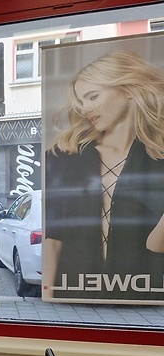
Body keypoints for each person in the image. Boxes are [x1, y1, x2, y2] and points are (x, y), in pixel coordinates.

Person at [44, 51, 164, 300]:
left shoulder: (158, 159)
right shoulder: (64, 156)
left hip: (145, 297)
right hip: (74, 294)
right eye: (81, 101)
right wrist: (48, 297)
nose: (85, 108)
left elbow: (155, 245)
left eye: (93, 96)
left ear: (128, 89)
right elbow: (53, 238)